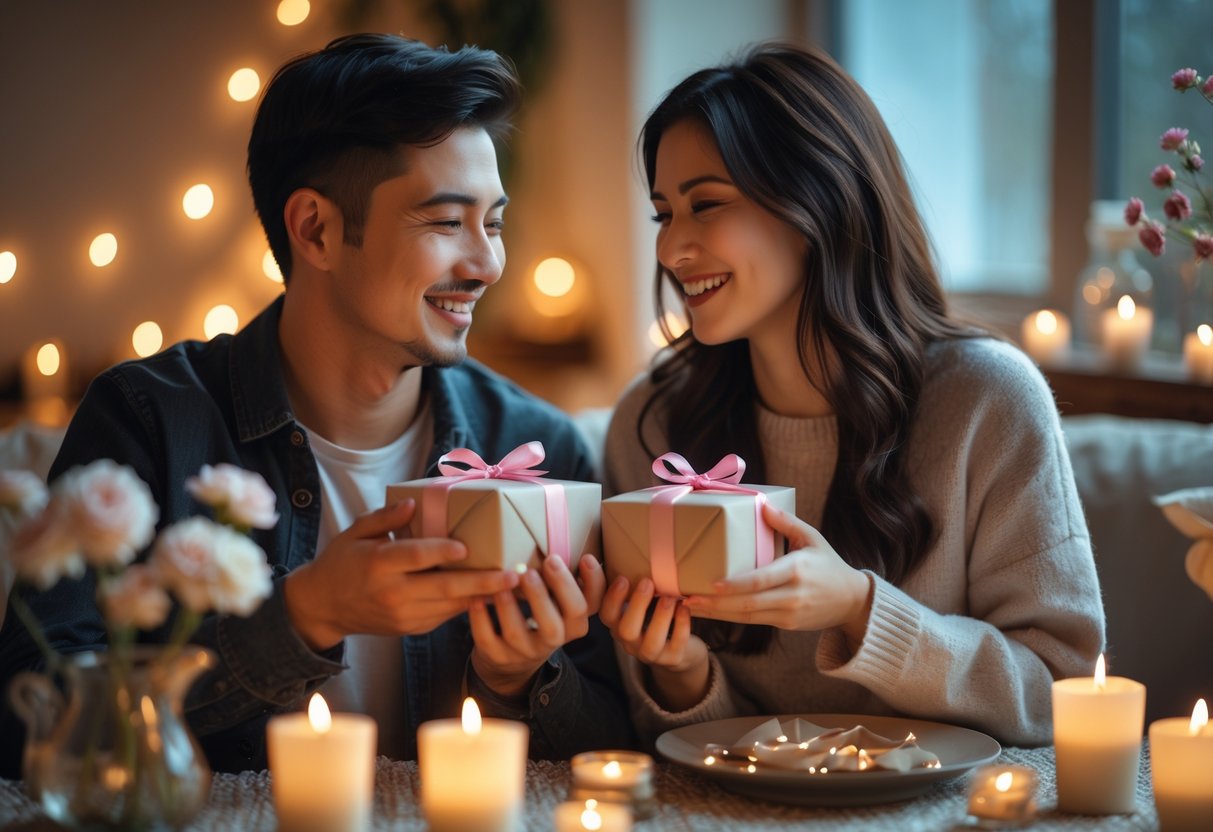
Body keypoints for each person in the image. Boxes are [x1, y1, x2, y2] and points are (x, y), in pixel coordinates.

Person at [0, 33, 632, 776]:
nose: (487, 262)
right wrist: (304, 616)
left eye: (492, 222)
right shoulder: (148, 421)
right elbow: (26, 718)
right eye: (445, 221)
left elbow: (615, 748)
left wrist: (516, 681)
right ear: (316, 229)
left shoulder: (535, 445)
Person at [599, 42, 1105, 749]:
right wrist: (680, 673)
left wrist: (859, 609)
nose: (670, 248)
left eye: (704, 205)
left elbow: (1064, 692)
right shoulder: (651, 428)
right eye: (663, 214)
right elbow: (707, 755)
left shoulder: (986, 401)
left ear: (815, 202)